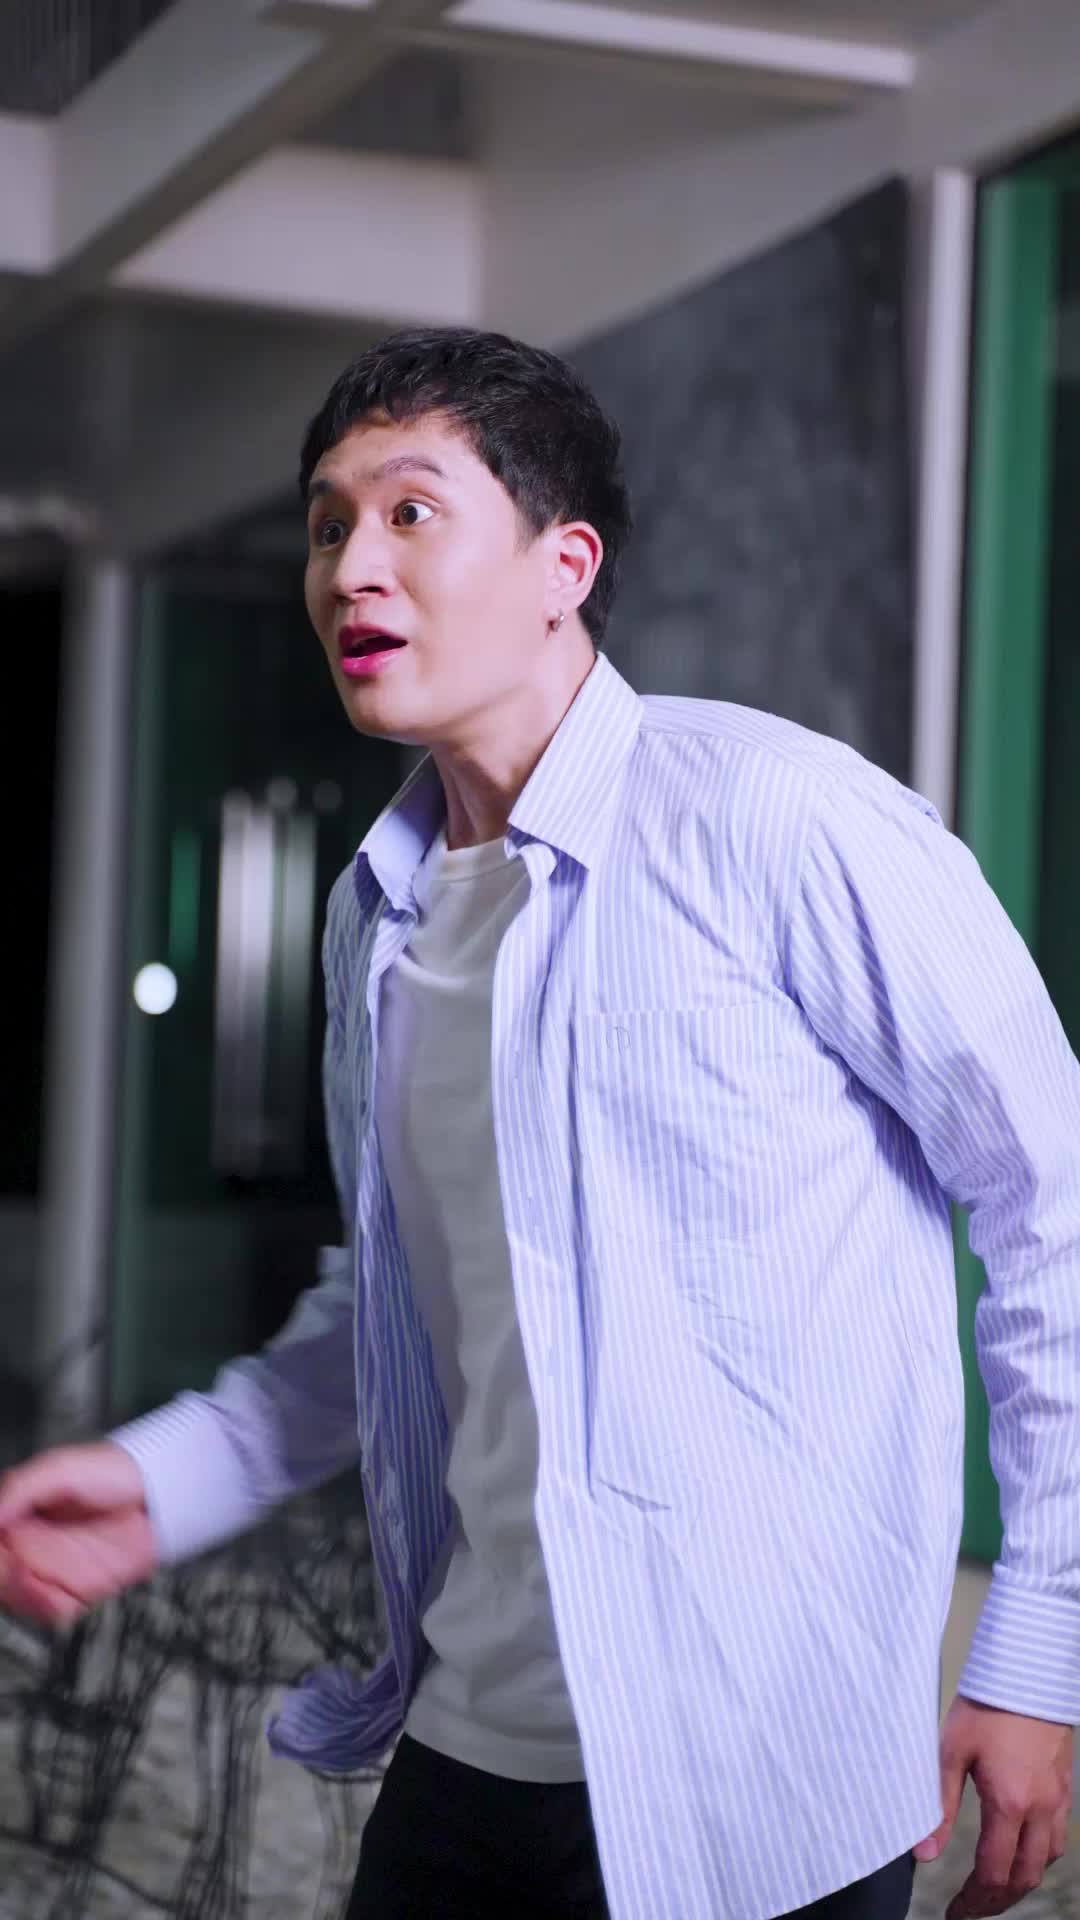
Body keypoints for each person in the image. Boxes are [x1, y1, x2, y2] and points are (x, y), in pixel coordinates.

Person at [0, 326, 1075, 1920]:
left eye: (409, 512)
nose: (351, 567)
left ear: (563, 564)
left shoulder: (779, 818)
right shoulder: (378, 917)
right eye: (326, 525)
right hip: (468, 1743)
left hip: (757, 1766)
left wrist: (1040, 1641)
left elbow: (1052, 1201)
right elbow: (402, 1306)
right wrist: (167, 1482)